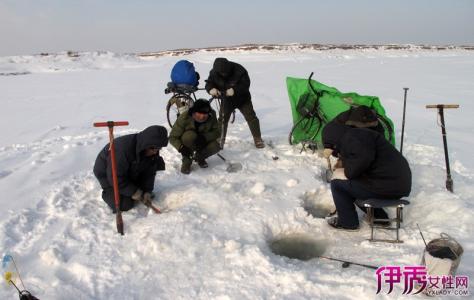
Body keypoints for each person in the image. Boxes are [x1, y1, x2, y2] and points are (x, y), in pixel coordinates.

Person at [322, 122, 411, 230]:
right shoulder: (358, 135)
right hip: (395, 183)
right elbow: (361, 158)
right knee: (355, 184)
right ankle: (379, 218)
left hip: (387, 184)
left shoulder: (354, 138)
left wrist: (346, 170)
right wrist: (343, 160)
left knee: (338, 185)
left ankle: (348, 223)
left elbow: (361, 162)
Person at [93, 125, 168, 212]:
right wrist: (134, 192)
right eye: (153, 148)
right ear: (145, 144)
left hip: (128, 171)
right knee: (124, 204)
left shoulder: (150, 151)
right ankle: (108, 191)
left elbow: (149, 172)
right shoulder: (122, 150)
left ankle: (131, 186)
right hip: (107, 174)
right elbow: (115, 177)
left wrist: (147, 190)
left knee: (142, 192)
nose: (155, 151)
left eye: (158, 148)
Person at [205, 57, 265, 148]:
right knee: (222, 120)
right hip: (227, 100)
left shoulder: (239, 70)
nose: (223, 74)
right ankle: (219, 140)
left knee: (251, 117)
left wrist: (234, 90)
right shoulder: (214, 72)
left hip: (243, 99)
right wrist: (211, 89)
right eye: (221, 73)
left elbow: (246, 84)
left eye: (225, 72)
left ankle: (258, 138)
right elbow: (209, 83)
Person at [170, 99, 221, 174]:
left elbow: (217, 132)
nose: (202, 117)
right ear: (194, 112)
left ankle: (200, 157)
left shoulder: (212, 115)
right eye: (199, 113)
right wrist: (181, 147)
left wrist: (205, 137)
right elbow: (172, 137)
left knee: (216, 146)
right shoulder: (184, 117)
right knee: (190, 135)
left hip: (203, 142)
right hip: (188, 141)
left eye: (205, 114)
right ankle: (187, 161)